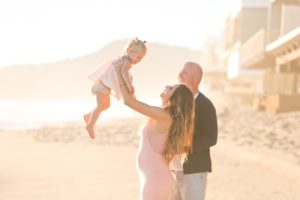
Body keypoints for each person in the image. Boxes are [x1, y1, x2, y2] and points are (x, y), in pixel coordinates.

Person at [113, 59, 195, 200]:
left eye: (171, 88)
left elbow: (129, 102)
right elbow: (134, 101)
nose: (166, 86)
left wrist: (118, 73)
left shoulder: (165, 116)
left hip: (156, 180)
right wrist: (126, 79)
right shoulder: (163, 114)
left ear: (175, 99)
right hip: (155, 178)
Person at [170, 62, 218, 200]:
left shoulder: (205, 105)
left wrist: (183, 148)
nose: (180, 75)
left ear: (196, 78)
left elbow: (211, 138)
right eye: (180, 71)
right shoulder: (175, 102)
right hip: (172, 169)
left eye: (184, 73)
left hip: (194, 171)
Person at [83, 38, 147, 139]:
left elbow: (121, 73)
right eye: (138, 57)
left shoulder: (123, 59)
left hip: (103, 86)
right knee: (100, 106)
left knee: (105, 106)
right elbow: (123, 73)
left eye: (141, 59)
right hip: (102, 87)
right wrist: (129, 85)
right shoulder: (127, 61)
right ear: (130, 50)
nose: (138, 61)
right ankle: (90, 125)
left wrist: (128, 79)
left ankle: (89, 116)